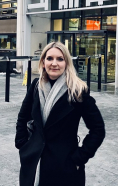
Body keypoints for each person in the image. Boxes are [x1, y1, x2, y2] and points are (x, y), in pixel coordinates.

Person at [15, 42, 105, 186]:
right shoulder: (36, 86)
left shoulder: (78, 91)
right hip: (34, 161)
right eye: (49, 58)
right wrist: (22, 144)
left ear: (67, 63)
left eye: (60, 59)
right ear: (43, 62)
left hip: (64, 165)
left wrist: (79, 158)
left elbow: (98, 129)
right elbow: (23, 116)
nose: (54, 63)